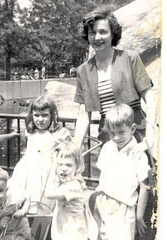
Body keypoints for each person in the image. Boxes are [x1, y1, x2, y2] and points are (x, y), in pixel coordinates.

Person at [74, 5, 157, 157]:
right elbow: (83, 114)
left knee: (142, 178)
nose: (97, 37)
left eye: (103, 32)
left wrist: (150, 136)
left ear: (113, 34)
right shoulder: (83, 71)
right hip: (109, 137)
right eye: (92, 32)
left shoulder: (130, 58)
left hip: (136, 133)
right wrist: (75, 150)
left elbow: (150, 98)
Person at [90, 104, 150, 240]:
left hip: (123, 208)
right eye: (112, 133)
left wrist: (139, 216)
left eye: (121, 132)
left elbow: (144, 186)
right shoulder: (107, 147)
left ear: (132, 129)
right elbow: (103, 175)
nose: (116, 138)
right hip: (103, 203)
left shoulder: (138, 154)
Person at [8, 95, 71, 216]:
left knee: (44, 203)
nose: (40, 119)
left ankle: (43, 222)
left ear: (52, 115)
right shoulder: (31, 132)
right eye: (36, 115)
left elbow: (69, 151)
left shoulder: (59, 134)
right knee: (23, 196)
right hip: (28, 169)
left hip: (48, 171)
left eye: (45, 115)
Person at [45, 140, 98, 240]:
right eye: (59, 164)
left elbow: (48, 194)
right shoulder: (68, 181)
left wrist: (53, 169)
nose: (63, 168)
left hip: (73, 231)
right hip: (65, 228)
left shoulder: (74, 185)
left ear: (77, 167)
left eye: (68, 165)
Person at [0, 166, 33, 240]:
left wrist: (23, 210)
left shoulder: (12, 201)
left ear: (6, 190)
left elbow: (27, 196)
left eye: (0, 191)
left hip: (17, 232)